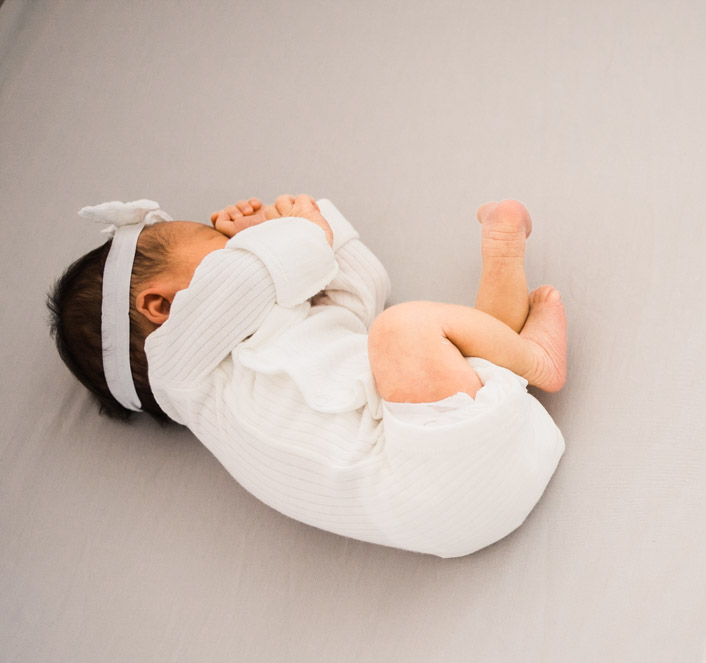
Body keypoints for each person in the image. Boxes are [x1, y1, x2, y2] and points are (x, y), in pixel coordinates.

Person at [47, 195, 568, 558]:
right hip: (429, 486)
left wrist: (315, 235)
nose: (236, 244)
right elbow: (253, 277)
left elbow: (363, 289)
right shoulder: (178, 366)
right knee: (402, 328)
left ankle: (503, 255)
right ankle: (533, 360)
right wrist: (295, 232)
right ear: (161, 306)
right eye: (219, 244)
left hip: (466, 451)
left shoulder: (280, 323)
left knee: (424, 337)